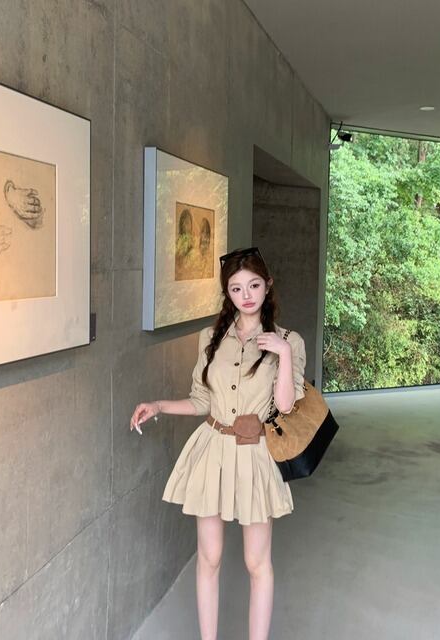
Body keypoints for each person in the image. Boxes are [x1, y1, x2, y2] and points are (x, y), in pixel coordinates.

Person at [130, 246, 306, 640]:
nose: (246, 295)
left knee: (257, 562)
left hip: (255, 454)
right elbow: (201, 401)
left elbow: (285, 405)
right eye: (236, 288)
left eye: (254, 285)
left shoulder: (288, 341)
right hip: (212, 450)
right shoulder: (210, 338)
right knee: (208, 558)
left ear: (268, 286)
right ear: (227, 293)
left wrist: (282, 354)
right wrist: (158, 405)